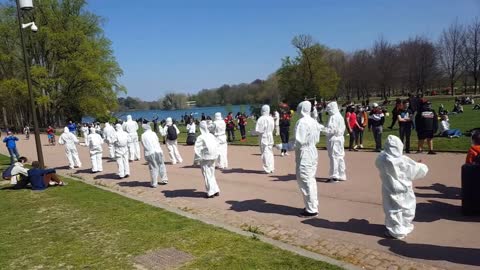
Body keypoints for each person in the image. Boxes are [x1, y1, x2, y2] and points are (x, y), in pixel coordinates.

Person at [375, 135, 429, 239]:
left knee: (392, 209)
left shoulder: (381, 159)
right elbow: (416, 170)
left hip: (389, 188)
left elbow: (378, 162)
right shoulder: (403, 160)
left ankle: (396, 228)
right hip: (404, 189)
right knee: (407, 207)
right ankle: (402, 227)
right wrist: (420, 165)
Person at [295, 101, 324, 217]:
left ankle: (311, 209)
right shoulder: (313, 121)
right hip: (312, 151)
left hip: (305, 153)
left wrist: (285, 146)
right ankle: (312, 204)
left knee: (305, 179)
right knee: (310, 179)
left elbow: (298, 142)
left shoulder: (301, 122)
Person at [194, 121, 220, 198]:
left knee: (207, 174)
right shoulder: (211, 136)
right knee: (212, 174)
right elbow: (217, 145)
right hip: (213, 156)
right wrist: (217, 155)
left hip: (205, 158)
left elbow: (197, 149)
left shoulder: (201, 137)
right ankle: (216, 189)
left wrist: (196, 160)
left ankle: (211, 191)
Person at [322, 102, 346, 182]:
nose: (328, 112)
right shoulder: (340, 116)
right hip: (340, 138)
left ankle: (334, 175)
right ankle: (342, 174)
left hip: (334, 139)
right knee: (340, 156)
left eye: (329, 110)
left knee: (334, 157)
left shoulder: (333, 117)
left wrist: (322, 129)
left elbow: (331, 130)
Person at [255, 105, 275, 173]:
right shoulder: (271, 118)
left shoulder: (261, 119)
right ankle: (271, 167)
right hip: (270, 135)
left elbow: (258, 130)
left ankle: (267, 168)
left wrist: (254, 132)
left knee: (265, 152)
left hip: (264, 136)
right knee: (270, 151)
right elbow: (272, 128)